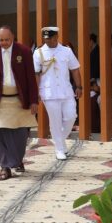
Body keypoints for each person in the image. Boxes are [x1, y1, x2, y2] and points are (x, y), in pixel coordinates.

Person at [0, 25, 39, 180]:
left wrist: (34, 100)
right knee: (2, 133)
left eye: (7, 40)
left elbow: (31, 77)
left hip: (19, 99)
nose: (4, 43)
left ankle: (17, 160)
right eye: (1, 40)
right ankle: (5, 167)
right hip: (0, 100)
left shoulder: (23, 52)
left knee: (20, 134)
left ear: (13, 37)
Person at [34, 26, 82, 160]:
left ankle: (59, 141)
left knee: (71, 116)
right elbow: (36, 74)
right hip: (48, 93)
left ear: (56, 37)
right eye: (45, 39)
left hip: (66, 90)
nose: (47, 41)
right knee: (55, 122)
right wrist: (36, 91)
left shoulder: (66, 51)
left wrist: (79, 86)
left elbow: (75, 69)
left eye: (49, 38)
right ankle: (59, 149)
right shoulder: (39, 52)